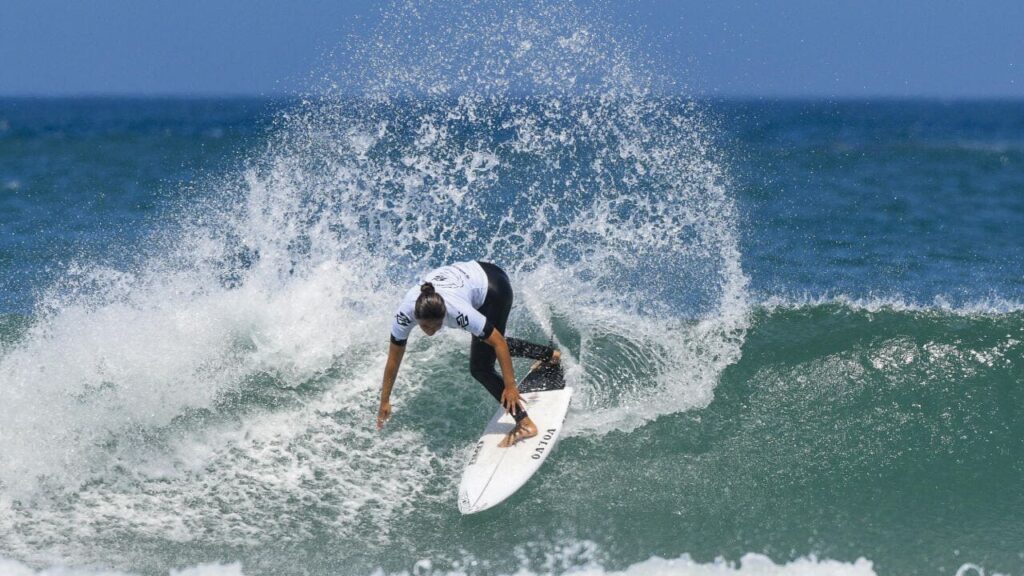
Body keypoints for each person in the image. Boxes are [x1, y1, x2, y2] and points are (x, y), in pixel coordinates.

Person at [376, 260, 560, 447]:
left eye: (437, 326)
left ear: (445, 315)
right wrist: (385, 401)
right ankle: (550, 356)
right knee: (486, 345)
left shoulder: (458, 312)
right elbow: (393, 360)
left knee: (481, 367)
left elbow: (499, 343)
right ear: (416, 317)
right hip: (475, 275)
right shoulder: (404, 316)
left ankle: (525, 424)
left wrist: (510, 387)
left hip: (494, 290)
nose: (430, 331)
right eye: (425, 326)